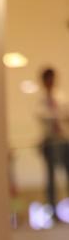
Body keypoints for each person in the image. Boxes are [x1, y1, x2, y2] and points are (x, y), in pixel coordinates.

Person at [36, 67, 69, 215]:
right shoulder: (39, 99)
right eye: (47, 79)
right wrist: (58, 115)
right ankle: (53, 211)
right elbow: (42, 116)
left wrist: (58, 115)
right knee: (51, 178)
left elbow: (65, 115)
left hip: (64, 140)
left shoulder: (61, 97)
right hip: (49, 141)